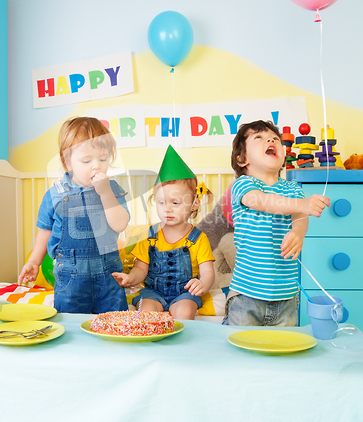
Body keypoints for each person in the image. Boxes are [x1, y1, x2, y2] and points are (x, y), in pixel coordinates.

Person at [223, 120, 331, 326]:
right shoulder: (243, 185)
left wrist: (298, 233)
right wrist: (303, 204)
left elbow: (300, 216)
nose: (271, 139)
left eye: (275, 138)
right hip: (247, 294)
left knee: (283, 354)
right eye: (259, 137)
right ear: (243, 158)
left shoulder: (292, 189)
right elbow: (263, 202)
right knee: (239, 351)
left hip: (287, 298)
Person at [18, 117, 130, 314]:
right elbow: (45, 232)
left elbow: (120, 224)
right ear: (67, 162)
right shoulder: (55, 195)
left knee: (115, 324)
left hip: (108, 277)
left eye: (103, 159)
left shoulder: (113, 190)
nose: (96, 166)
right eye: (87, 160)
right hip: (70, 280)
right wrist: (34, 261)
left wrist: (105, 193)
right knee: (70, 326)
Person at [113, 145, 215, 320]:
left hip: (185, 292)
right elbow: (141, 268)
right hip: (153, 292)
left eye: (175, 203)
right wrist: (131, 278)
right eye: (161, 202)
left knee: (184, 312)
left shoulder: (198, 238)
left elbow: (207, 271)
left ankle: (178, 345)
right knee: (145, 314)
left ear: (194, 204)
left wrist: (203, 283)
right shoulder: (149, 235)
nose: (167, 209)